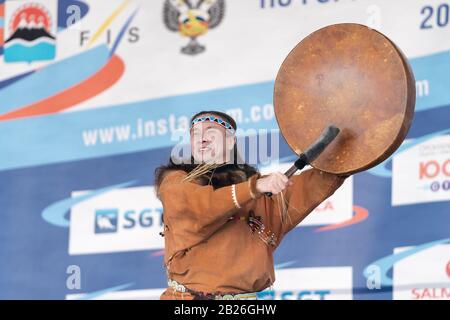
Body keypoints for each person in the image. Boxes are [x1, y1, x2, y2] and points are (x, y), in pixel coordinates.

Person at [154, 110, 348, 300]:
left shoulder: (260, 193)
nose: (201, 139)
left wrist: (351, 154)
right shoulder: (176, 181)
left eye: (211, 132)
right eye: (195, 134)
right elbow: (200, 206)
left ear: (231, 141)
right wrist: (254, 187)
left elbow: (311, 186)